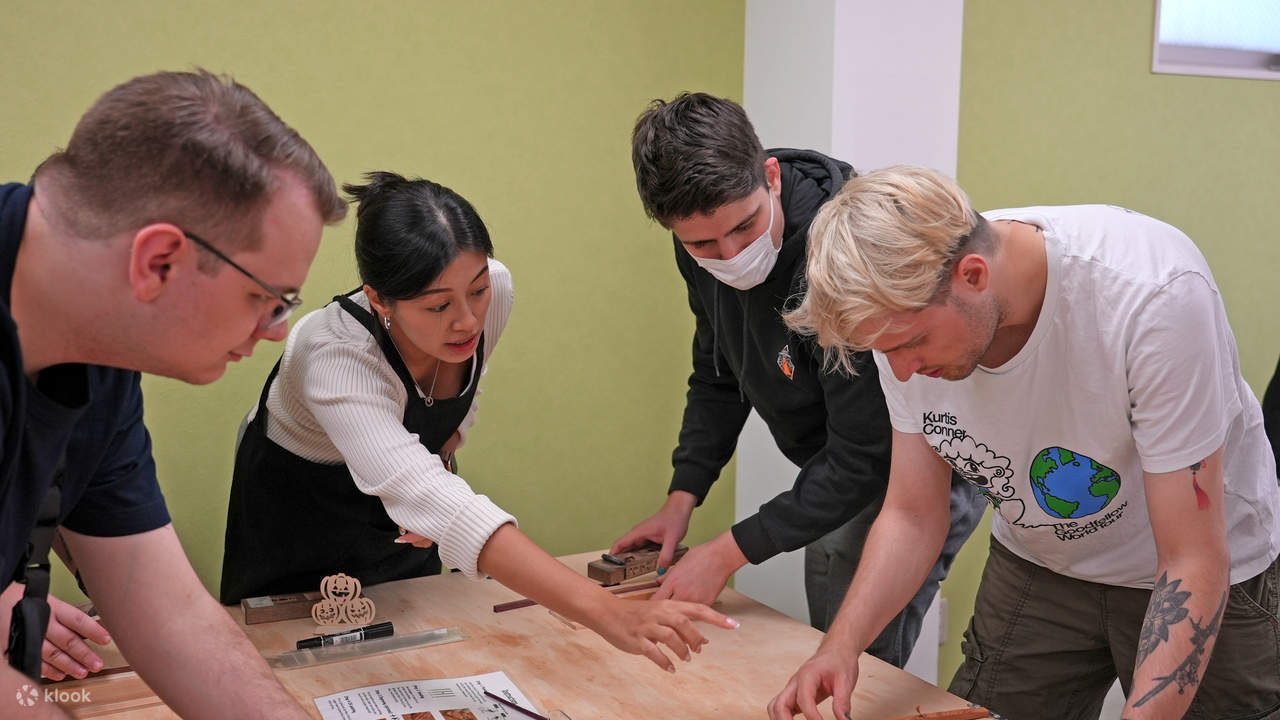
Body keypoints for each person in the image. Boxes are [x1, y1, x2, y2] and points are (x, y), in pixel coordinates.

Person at [770, 166, 1280, 720]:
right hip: (1042, 562)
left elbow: (1192, 557)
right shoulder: (903, 323)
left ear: (973, 275)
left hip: (1200, 571)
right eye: (884, 352)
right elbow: (913, 515)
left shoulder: (1153, 297)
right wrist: (840, 648)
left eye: (913, 343)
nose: (903, 370)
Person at [221, 172, 737, 672]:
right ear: (379, 298)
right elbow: (425, 492)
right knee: (292, 667)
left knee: (420, 654)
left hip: (401, 520)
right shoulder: (332, 354)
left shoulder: (497, 291)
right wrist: (606, 613)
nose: (467, 320)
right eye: (438, 305)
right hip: (299, 519)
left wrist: (439, 467)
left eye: (477, 289)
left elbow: (451, 410)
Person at [0, 69, 349, 718]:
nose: (275, 332)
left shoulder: (96, 349)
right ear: (159, 260)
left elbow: (169, 614)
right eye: (268, 299)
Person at [612, 92, 986, 666]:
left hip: (907, 471)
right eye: (702, 244)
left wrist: (726, 552)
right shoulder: (699, 244)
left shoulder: (845, 257)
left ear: (770, 177)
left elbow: (867, 453)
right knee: (821, 638)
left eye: (744, 227)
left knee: (856, 659)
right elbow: (717, 372)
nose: (730, 254)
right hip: (832, 464)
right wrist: (682, 497)